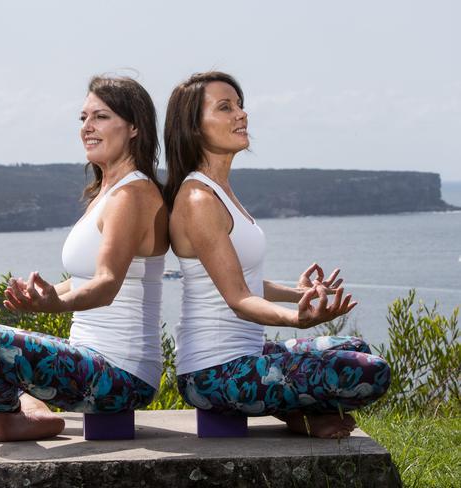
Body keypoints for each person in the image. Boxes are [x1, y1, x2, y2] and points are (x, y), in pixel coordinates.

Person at [164, 71, 390, 439]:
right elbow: (238, 299)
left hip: (250, 354)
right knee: (369, 370)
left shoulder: (220, 191)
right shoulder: (198, 199)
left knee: (354, 347)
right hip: (213, 373)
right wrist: (296, 319)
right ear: (193, 128)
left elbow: (239, 280)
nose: (241, 114)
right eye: (225, 107)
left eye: (240, 105)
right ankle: (303, 415)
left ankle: (302, 416)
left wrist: (297, 295)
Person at [0, 75, 168, 442]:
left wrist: (55, 305)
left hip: (122, 375)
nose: (87, 127)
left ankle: (16, 414)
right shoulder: (107, 193)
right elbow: (85, 279)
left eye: (100, 117)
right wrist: (43, 295)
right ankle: (26, 410)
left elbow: (105, 285)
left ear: (134, 126)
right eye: (83, 118)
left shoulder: (132, 194)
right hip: (90, 360)